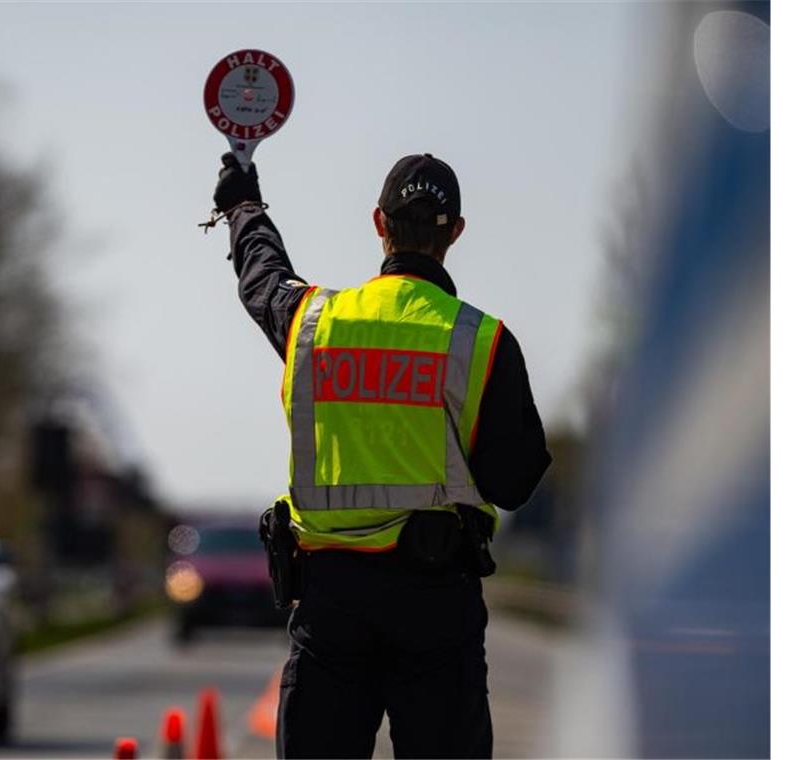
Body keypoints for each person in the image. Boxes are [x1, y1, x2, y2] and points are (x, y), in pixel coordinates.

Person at [211, 151, 551, 759]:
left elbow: (262, 277)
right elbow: (515, 481)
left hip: (330, 609)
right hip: (436, 607)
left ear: (378, 223)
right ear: (456, 232)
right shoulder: (481, 340)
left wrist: (243, 207)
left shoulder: (314, 320)